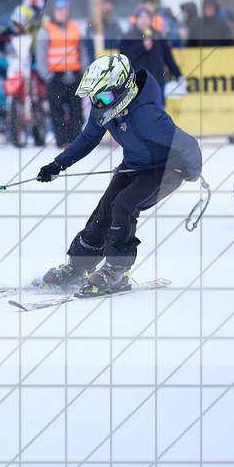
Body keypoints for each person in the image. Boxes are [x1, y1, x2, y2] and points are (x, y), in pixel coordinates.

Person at [34, 54, 202, 296]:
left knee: (124, 205)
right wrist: (57, 164)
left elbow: (189, 145)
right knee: (104, 210)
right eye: (94, 98)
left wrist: (192, 172)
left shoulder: (148, 116)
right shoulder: (104, 109)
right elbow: (88, 139)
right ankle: (78, 267)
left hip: (165, 170)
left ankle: (117, 270)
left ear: (124, 89)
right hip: (133, 165)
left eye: (104, 97)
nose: (99, 104)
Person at [36, 0, 94, 147]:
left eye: (65, 12)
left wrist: (84, 72)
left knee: (76, 111)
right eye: (59, 11)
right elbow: (41, 55)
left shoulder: (74, 27)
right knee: (57, 111)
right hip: (56, 77)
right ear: (54, 13)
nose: (63, 14)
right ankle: (62, 141)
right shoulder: (46, 30)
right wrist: (48, 76)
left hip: (74, 75)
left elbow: (82, 52)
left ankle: (75, 140)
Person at [119, 5, 183, 106]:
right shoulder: (129, 37)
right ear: (137, 20)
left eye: (147, 18)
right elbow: (124, 57)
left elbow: (168, 57)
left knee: (158, 111)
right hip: (138, 83)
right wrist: (142, 47)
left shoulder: (158, 36)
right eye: (141, 18)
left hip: (157, 80)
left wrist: (178, 75)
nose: (144, 21)